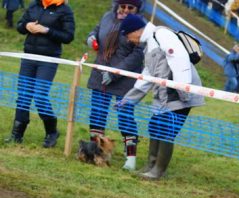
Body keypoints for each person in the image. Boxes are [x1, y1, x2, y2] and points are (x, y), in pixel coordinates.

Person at [117, 14, 205, 180]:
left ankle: (158, 170)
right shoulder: (150, 45)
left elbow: (180, 60)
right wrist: (129, 99)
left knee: (166, 130)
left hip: (178, 94)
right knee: (155, 126)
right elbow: (148, 75)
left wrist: (183, 91)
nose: (129, 40)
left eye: (128, 36)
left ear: (136, 31)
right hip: (165, 96)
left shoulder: (161, 35)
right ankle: (151, 165)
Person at [5, 0, 75, 148]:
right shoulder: (33, 5)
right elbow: (20, 26)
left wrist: (46, 31)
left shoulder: (65, 10)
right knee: (23, 95)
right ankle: (17, 134)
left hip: (48, 60)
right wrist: (26, 26)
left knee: (40, 96)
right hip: (29, 57)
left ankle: (52, 132)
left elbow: (68, 36)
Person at [86, 0, 145, 171]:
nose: (125, 10)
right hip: (100, 74)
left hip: (125, 79)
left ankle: (131, 158)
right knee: (97, 114)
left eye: (130, 7)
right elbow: (96, 30)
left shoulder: (140, 26)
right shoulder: (107, 17)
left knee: (125, 118)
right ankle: (95, 152)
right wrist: (91, 37)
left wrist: (114, 73)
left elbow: (137, 55)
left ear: (137, 9)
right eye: (123, 6)